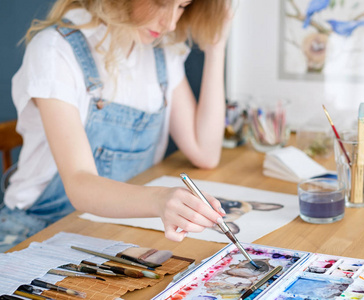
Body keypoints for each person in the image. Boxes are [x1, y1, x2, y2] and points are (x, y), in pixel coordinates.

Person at [0, 0, 232, 252]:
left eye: (182, 6)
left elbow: (205, 153)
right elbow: (79, 183)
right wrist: (160, 199)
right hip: (35, 229)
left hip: (110, 227)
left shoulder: (161, 49)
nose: (171, 23)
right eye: (161, 3)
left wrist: (216, 46)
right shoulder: (55, 49)